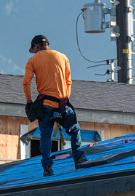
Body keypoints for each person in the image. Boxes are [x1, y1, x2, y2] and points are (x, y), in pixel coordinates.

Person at [23, 35, 87, 177]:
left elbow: (26, 82)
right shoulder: (63, 57)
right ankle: (79, 159)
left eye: (33, 49)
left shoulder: (32, 60)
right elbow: (68, 81)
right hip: (63, 105)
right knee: (75, 130)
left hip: (45, 105)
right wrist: (64, 100)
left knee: (45, 136)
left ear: (36, 46)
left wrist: (29, 101)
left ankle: (47, 168)